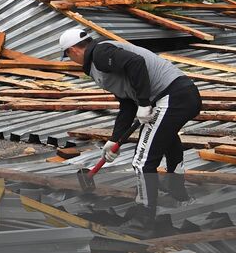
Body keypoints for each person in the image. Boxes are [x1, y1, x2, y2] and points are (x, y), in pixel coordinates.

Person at [61, 29, 202, 205]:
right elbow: (127, 104)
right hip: (180, 94)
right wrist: (114, 139)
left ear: (72, 50)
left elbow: (136, 62)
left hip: (173, 95)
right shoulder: (100, 59)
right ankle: (179, 195)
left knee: (142, 161)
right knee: (166, 140)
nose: (71, 60)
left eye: (68, 56)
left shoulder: (100, 53)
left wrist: (143, 103)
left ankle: (144, 217)